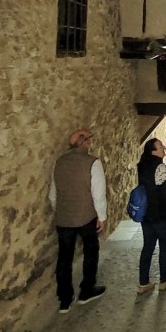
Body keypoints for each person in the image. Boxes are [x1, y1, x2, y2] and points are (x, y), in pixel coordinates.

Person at [49, 128, 107, 313]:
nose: (91, 142)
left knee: (65, 256)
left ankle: (65, 299)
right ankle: (87, 289)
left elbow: (53, 193)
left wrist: (60, 210)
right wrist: (102, 216)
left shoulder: (60, 162)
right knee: (91, 250)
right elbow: (98, 193)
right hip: (86, 216)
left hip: (64, 217)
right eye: (89, 139)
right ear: (85, 143)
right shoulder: (93, 163)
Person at [136, 138, 166, 294]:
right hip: (161, 214)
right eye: (160, 147)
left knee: (148, 247)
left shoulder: (142, 165)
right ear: (153, 151)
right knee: (165, 246)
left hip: (147, 215)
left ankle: (143, 282)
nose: (163, 148)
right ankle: (163, 280)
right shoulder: (161, 168)